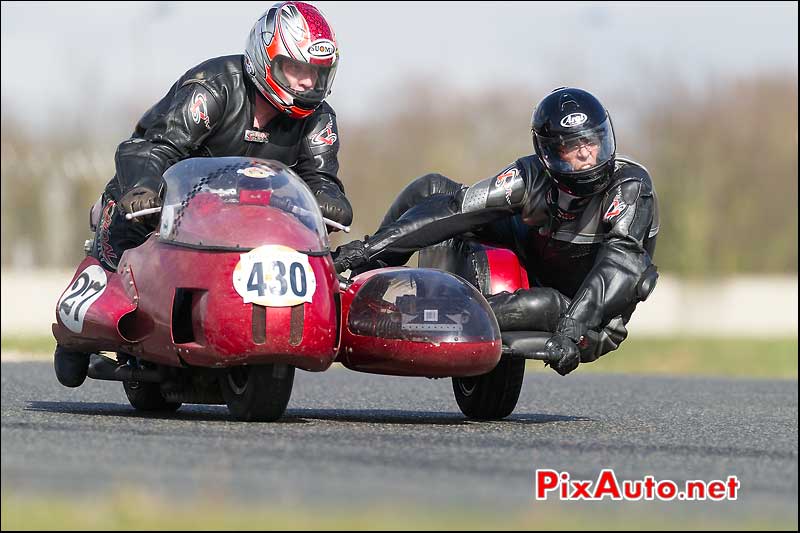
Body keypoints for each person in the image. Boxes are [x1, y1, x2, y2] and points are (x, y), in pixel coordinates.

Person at [333, 87, 659, 376]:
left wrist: (574, 329)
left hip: (583, 315)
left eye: (591, 141)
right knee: (430, 189)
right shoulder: (531, 174)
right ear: (549, 153)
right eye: (573, 146)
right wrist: (366, 248)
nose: (587, 153)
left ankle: (423, 315)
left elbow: (621, 264)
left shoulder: (629, 186)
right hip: (535, 251)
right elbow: (457, 209)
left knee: (543, 303)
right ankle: (356, 292)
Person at [90, 1, 352, 271]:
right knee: (114, 295)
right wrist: (143, 186)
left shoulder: (320, 118)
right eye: (296, 68)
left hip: (250, 230)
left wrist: (328, 198)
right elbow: (157, 148)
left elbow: (320, 177)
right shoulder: (213, 88)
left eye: (316, 72)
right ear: (266, 59)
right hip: (162, 218)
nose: (308, 82)